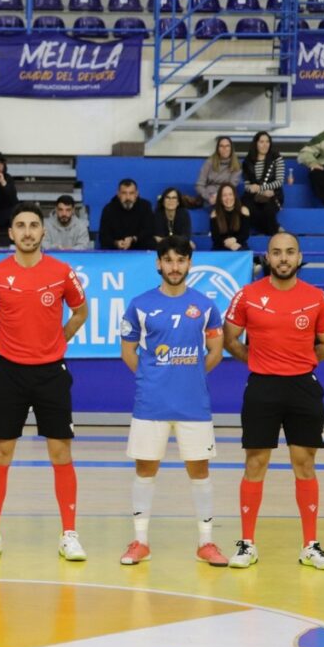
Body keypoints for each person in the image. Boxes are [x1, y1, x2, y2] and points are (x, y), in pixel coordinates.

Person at [0, 202, 89, 562]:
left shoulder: (61, 272)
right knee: (1, 452)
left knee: (60, 453)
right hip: (9, 372)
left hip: (51, 373)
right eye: (20, 225)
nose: (27, 231)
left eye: (33, 225)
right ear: (10, 233)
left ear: (43, 232)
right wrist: (1, 340)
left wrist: (61, 338)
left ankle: (69, 533)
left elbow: (80, 310)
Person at [223, 232, 324, 571]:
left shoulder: (317, 298)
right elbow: (230, 340)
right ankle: (247, 544)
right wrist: (259, 360)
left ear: (299, 257)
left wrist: (298, 360)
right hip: (262, 388)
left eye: (290, 252)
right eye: (277, 253)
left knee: (304, 464)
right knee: (255, 463)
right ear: (267, 258)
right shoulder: (247, 295)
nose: (283, 258)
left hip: (303, 388)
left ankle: (310, 545)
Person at [118, 235, 228, 567]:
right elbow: (128, 353)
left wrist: (189, 375)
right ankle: (140, 540)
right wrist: (155, 378)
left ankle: (206, 543)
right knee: (145, 468)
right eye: (168, 260)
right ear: (158, 263)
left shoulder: (206, 306)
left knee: (199, 469)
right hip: (151, 404)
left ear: (189, 263)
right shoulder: (140, 304)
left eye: (181, 260)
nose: (175, 267)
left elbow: (215, 353)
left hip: (193, 405)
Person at [241, 131, 285, 236]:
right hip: (253, 195)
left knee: (267, 208)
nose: (265, 145)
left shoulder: (277, 158)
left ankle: (271, 232)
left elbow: (279, 182)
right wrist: (251, 188)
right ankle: (275, 228)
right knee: (246, 207)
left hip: (273, 194)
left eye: (267, 142)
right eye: (261, 142)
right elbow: (247, 185)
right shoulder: (247, 161)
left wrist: (262, 188)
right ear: (256, 143)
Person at [98, 179, 154, 251]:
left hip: (141, 250)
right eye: (124, 193)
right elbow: (103, 236)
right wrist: (116, 243)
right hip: (115, 252)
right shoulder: (109, 209)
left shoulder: (145, 206)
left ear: (136, 194)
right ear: (118, 194)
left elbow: (149, 230)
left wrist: (133, 239)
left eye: (131, 193)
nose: (128, 197)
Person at [194, 136, 242, 208]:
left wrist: (219, 197)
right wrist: (208, 197)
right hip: (210, 197)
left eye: (227, 146)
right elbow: (199, 185)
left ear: (231, 148)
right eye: (221, 146)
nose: (224, 149)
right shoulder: (209, 163)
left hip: (227, 197)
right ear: (217, 149)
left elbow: (232, 186)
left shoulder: (236, 165)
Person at [210, 184, 250, 252]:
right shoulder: (214, 214)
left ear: (235, 196)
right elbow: (215, 238)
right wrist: (229, 244)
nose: (228, 198)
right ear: (220, 198)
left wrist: (234, 240)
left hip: (238, 245)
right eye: (224, 195)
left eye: (230, 194)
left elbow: (245, 235)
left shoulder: (244, 211)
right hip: (220, 247)